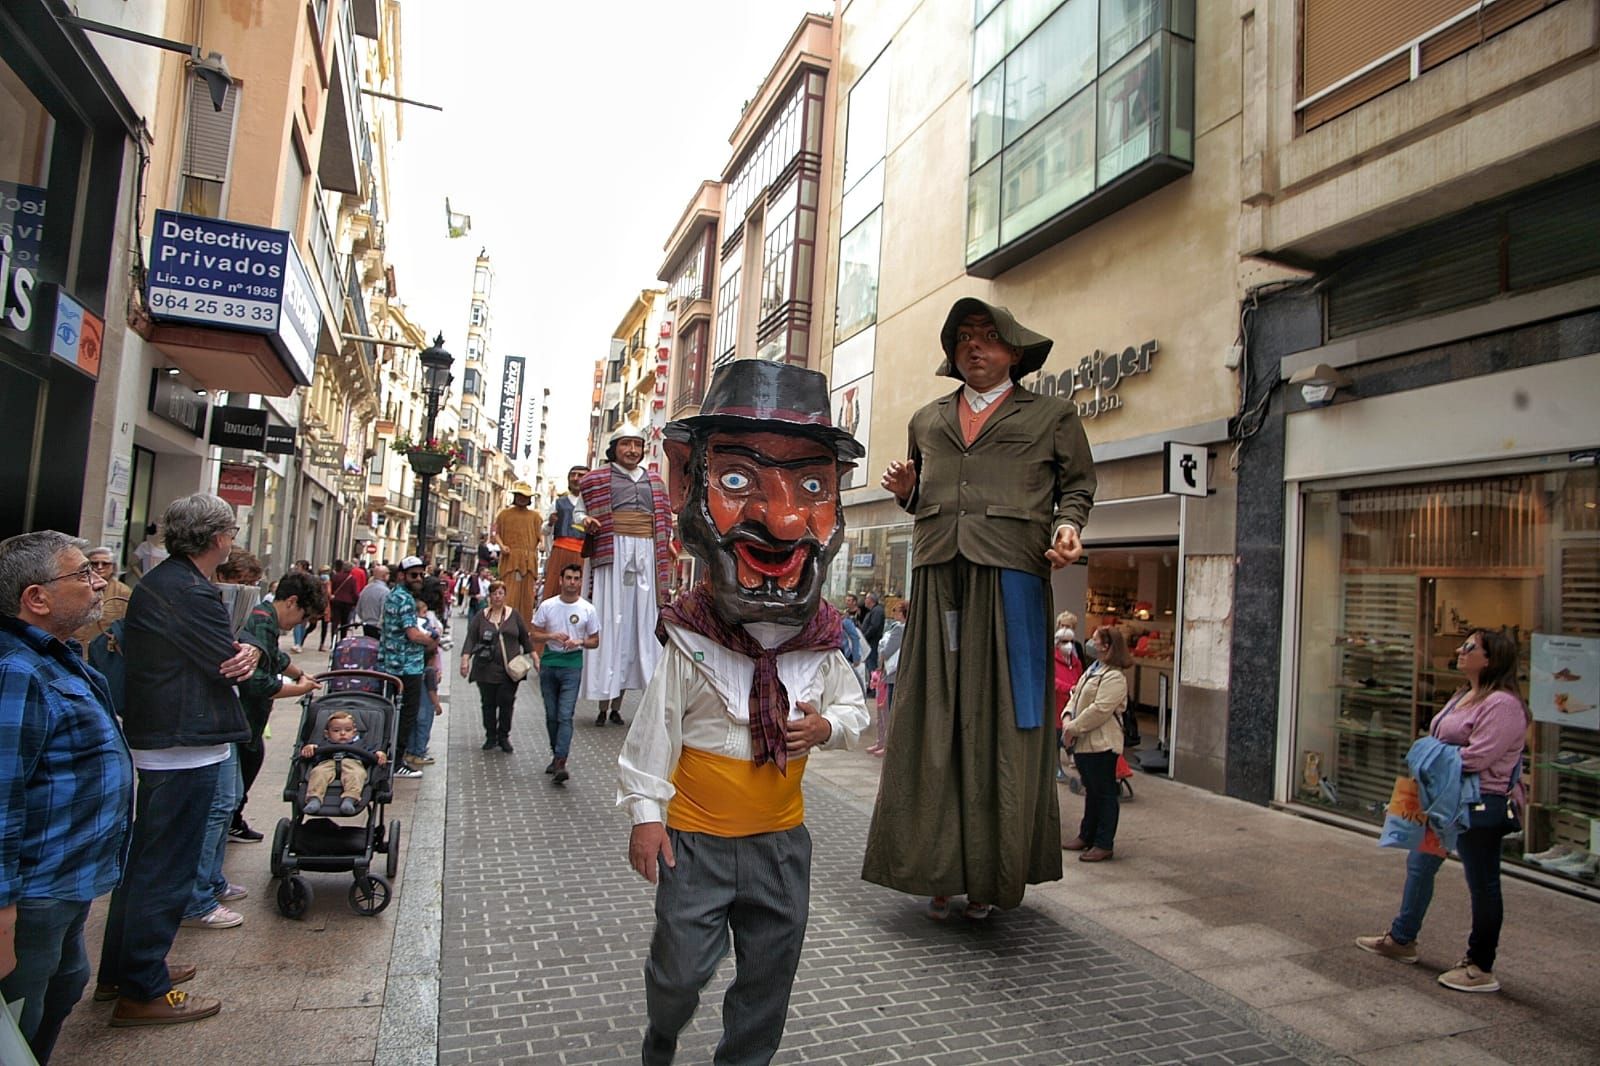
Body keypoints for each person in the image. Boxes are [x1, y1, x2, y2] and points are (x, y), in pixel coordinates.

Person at [622, 360, 868, 1066]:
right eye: (736, 480)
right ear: (685, 484)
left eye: (812, 487)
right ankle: (662, 1030)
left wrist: (826, 726)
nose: (784, 518)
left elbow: (855, 714)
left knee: (769, 980)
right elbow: (655, 732)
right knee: (678, 974)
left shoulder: (821, 644)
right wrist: (646, 817)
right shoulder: (691, 639)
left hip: (779, 850)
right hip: (694, 845)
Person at [862, 297, 1096, 920]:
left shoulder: (1053, 415)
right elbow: (930, 490)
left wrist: (1070, 526)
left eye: (989, 337)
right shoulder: (926, 418)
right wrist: (911, 496)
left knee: (1002, 725)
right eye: (964, 337)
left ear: (1014, 351)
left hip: (1013, 577)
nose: (975, 346)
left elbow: (1077, 486)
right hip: (940, 573)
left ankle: (990, 877)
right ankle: (939, 870)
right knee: (933, 722)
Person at [96, 493, 268, 1026]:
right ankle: (142, 988)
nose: (232, 540)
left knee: (149, 863)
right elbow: (228, 661)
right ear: (218, 538)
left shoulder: (168, 582)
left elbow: (229, 656)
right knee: (164, 867)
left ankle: (127, 969)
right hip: (182, 741)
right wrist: (249, 655)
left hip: (171, 735)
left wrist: (246, 654)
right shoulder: (188, 590)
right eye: (231, 532)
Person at [0, 531, 133, 1062]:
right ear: (36, 597)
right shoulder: (17, 670)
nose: (99, 582)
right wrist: (4, 912)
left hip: (68, 881)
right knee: (20, 1017)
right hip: (36, 890)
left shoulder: (57, 656)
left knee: (64, 983)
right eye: (82, 574)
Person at [1356, 629, 1529, 994]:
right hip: (1441, 798)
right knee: (1420, 864)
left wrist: (1427, 754)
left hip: (1476, 802)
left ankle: (1480, 966)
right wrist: (1431, 756)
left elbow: (1477, 756)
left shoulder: (1504, 705)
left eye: (1469, 647)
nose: (1459, 650)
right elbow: (1442, 743)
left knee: (1482, 883)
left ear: (1490, 659)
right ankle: (1402, 939)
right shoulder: (1464, 694)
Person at [579, 422, 676, 727]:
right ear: (614, 448)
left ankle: (625, 702)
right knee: (610, 621)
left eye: (637, 444)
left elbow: (664, 522)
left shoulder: (656, 482)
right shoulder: (595, 480)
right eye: (626, 444)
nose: (632, 450)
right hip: (613, 553)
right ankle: (603, 703)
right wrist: (588, 522)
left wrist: (668, 545)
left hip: (647, 552)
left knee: (642, 624)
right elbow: (579, 513)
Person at [232, 571, 324, 841]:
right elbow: (258, 682)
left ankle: (233, 818)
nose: (301, 622)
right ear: (292, 602)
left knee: (252, 758)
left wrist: (298, 673)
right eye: (304, 616)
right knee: (241, 770)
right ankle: (231, 820)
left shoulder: (265, 619)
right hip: (245, 716)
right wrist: (300, 689)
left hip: (251, 719)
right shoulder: (262, 622)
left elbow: (275, 656)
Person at [1060, 625, 1131, 862]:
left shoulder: (1115, 677)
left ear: (1107, 646)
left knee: (1104, 793)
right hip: (1084, 743)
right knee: (1092, 792)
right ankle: (1086, 835)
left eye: (1096, 639)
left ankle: (1103, 842)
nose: (1091, 642)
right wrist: (1067, 717)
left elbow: (1100, 709)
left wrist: (1073, 728)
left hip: (1101, 743)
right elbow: (1075, 695)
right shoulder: (1093, 669)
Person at [530, 563, 599, 785]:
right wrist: (551, 636)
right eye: (568, 577)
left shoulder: (587, 609)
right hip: (550, 663)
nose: (572, 582)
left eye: (576, 578)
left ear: (580, 581)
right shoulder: (548, 606)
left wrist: (579, 641)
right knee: (551, 715)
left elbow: (595, 641)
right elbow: (534, 634)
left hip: (572, 664)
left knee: (565, 714)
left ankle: (561, 760)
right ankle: (555, 752)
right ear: (561, 580)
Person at [378, 557, 438, 777]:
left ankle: (389, 757)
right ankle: (397, 762)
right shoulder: (405, 600)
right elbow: (412, 633)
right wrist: (431, 637)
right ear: (401, 575)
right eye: (414, 575)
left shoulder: (392, 596)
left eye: (421, 575)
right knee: (406, 715)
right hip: (406, 667)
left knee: (393, 712)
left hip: (390, 664)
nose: (419, 579)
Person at [460, 580, 531, 753]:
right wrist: (465, 660)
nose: (497, 596)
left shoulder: (514, 615)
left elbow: (525, 638)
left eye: (500, 593)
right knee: (488, 703)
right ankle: (491, 736)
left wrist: (535, 658)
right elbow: (470, 638)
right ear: (489, 596)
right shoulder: (480, 616)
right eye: (494, 593)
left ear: (505, 596)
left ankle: (504, 736)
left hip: (509, 670)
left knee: (506, 702)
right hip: (485, 669)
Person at [299, 710, 387, 816]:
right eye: (336, 730)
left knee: (357, 774)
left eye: (348, 730)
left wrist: (379, 754)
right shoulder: (324, 743)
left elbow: (371, 753)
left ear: (354, 732)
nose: (342, 733)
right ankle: (314, 798)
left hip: (353, 763)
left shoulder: (360, 744)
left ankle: (350, 798)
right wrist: (310, 748)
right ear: (327, 734)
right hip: (328, 762)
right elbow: (313, 756)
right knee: (318, 773)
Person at [406, 577, 447, 768]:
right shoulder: (429, 669)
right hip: (423, 667)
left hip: (416, 667)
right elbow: (432, 692)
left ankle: (411, 749)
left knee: (413, 717)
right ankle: (418, 751)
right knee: (422, 719)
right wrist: (437, 705)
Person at [493, 481, 544, 622]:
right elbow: (496, 533)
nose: (522, 498)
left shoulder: (535, 516)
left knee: (527, 597)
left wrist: (542, 545)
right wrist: (502, 546)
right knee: (509, 593)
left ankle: (524, 627)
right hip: (510, 558)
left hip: (529, 560)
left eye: (525, 496)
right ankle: (505, 622)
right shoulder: (504, 514)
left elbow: (541, 534)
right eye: (519, 495)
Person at [542, 465, 589, 603]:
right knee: (554, 590)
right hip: (560, 552)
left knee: (581, 593)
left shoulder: (592, 503)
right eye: (572, 475)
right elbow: (545, 531)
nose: (576, 479)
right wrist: (550, 522)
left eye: (580, 475)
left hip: (584, 555)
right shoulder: (558, 503)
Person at [867, 599, 907, 757]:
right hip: (894, 672)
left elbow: (887, 650)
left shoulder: (898, 629)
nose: (893, 613)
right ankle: (882, 742)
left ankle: (887, 743)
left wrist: (881, 653)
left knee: (887, 709)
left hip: (891, 673)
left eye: (897, 610)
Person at [72, 545, 132, 649]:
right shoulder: (74, 588)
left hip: (104, 651)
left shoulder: (123, 592)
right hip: (75, 648)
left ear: (113, 567)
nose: (99, 567)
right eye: (94, 563)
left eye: (105, 564)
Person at [354, 563, 390, 639]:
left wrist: (363, 619)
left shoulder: (366, 589)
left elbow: (358, 608)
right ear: (384, 576)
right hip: (377, 628)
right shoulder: (385, 591)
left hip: (366, 625)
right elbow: (384, 612)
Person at [860, 592, 885, 693]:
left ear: (871, 600)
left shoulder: (877, 611)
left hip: (872, 642)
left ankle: (874, 688)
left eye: (866, 598)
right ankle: (871, 686)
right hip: (869, 642)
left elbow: (874, 626)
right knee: (869, 665)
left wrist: (865, 636)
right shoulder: (873, 611)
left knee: (872, 665)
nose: (865, 600)